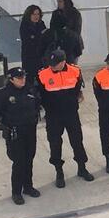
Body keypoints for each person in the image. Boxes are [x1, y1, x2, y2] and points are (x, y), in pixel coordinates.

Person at [36, 49, 93, 187]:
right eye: (51, 63)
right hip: (53, 115)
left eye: (55, 64)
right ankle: (59, 171)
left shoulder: (75, 71)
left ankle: (82, 167)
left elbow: (77, 88)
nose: (52, 66)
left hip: (71, 113)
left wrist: (72, 102)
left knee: (77, 140)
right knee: (55, 143)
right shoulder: (42, 74)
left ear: (63, 62)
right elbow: (40, 95)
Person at [0, 67, 42, 204]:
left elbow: (37, 104)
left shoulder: (29, 89)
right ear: (11, 79)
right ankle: (16, 192)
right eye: (19, 78)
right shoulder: (4, 94)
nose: (22, 80)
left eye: (23, 77)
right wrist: (7, 122)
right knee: (19, 162)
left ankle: (28, 187)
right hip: (15, 132)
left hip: (30, 130)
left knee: (29, 158)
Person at [19, 5, 47, 80]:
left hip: (40, 55)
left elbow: (44, 36)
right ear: (29, 15)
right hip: (29, 55)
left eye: (38, 14)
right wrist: (39, 35)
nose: (36, 16)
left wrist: (37, 36)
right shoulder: (25, 25)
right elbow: (28, 40)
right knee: (29, 77)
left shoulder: (41, 23)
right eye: (34, 14)